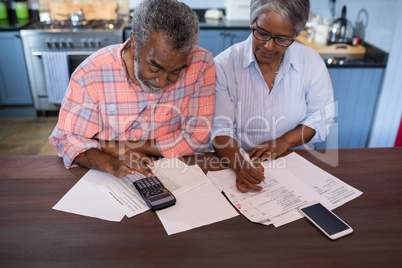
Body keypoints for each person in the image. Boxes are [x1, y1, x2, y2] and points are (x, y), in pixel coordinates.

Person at [49, 0, 215, 178]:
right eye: (154, 67)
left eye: (175, 71)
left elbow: (196, 137)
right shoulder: (91, 73)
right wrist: (111, 162)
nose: (161, 82)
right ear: (134, 41)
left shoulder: (201, 64)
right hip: (107, 173)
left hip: (174, 170)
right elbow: (67, 139)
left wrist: (116, 147)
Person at [211, 0, 334, 192]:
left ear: (295, 34)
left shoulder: (310, 62)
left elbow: (321, 117)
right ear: (253, 22)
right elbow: (220, 128)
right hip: (237, 161)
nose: (268, 46)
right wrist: (240, 164)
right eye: (261, 33)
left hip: (293, 163)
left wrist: (285, 141)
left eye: (282, 39)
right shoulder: (224, 65)